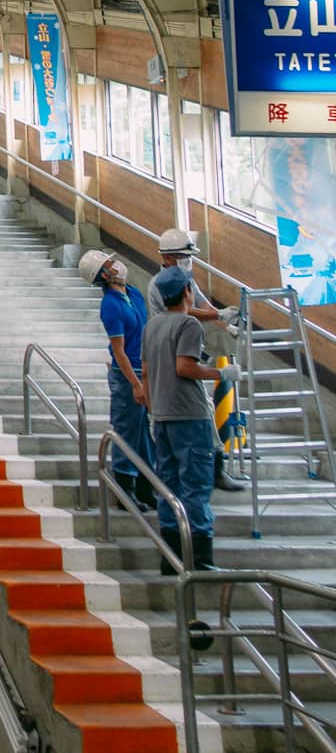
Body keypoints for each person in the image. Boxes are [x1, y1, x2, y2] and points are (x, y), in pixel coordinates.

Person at [142, 266, 227, 598]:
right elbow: (185, 367)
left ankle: (171, 555)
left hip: (161, 415)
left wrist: (152, 410)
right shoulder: (188, 324)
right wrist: (221, 374)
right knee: (195, 485)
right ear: (187, 293)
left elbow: (147, 372)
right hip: (189, 415)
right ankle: (200, 558)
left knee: (169, 485)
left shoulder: (152, 325)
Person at [149, 228, 244, 494]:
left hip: (182, 359)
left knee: (201, 412)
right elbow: (190, 311)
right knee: (199, 414)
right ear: (167, 257)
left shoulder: (184, 286)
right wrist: (221, 374)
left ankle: (211, 471)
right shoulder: (163, 290)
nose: (186, 261)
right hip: (175, 363)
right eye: (182, 256)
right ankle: (210, 472)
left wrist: (226, 325)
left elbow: (200, 305)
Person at [79, 250, 155, 511]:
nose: (117, 265)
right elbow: (119, 350)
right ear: (104, 274)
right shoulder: (110, 305)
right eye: (110, 264)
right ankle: (125, 488)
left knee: (143, 431)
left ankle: (147, 486)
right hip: (126, 376)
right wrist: (135, 383)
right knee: (126, 431)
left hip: (144, 369)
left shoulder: (133, 294)